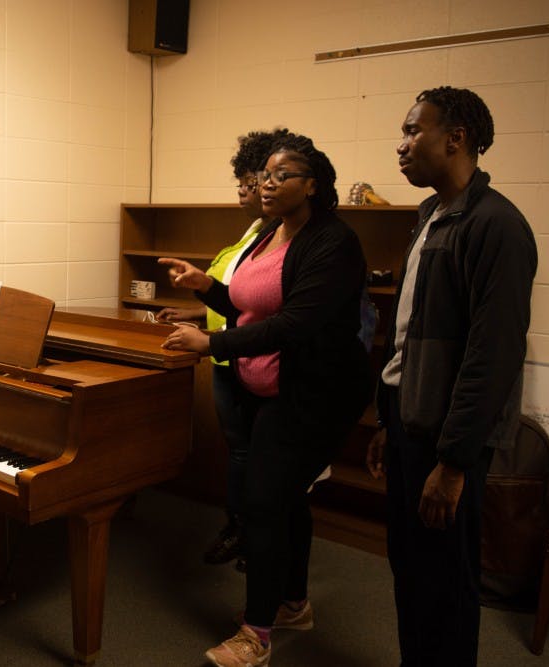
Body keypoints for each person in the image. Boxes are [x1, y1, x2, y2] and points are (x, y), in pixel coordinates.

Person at [160, 133, 373, 666]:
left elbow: (296, 323)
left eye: (282, 175)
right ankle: (293, 604)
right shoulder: (270, 233)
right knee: (284, 499)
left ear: (313, 185)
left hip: (313, 394)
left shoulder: (333, 241)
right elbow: (244, 305)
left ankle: (255, 636)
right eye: (264, 176)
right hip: (267, 387)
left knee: (261, 505)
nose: (267, 183)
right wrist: (204, 286)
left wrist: (210, 344)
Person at [366, 87, 537, 666]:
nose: (401, 145)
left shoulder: (497, 226)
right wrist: (389, 419)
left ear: (456, 138)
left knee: (446, 577)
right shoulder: (430, 216)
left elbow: (492, 357)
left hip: (448, 441)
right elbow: (411, 336)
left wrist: (455, 461)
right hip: (410, 422)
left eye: (414, 131)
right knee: (411, 567)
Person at [157, 129, 287, 572]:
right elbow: (231, 299)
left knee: (258, 458)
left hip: (259, 362)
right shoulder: (253, 233)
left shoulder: (288, 237)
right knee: (239, 451)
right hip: (226, 357)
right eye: (250, 179)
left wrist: (209, 338)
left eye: (253, 179)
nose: (247, 188)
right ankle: (239, 527)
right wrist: (193, 317)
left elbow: (266, 310)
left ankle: (257, 536)